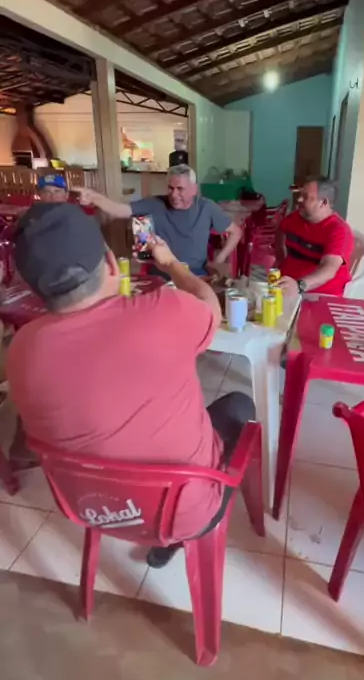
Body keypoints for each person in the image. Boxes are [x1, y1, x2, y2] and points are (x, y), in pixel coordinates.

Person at [7, 203, 255, 568]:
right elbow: (210, 307)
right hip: (181, 512)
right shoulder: (163, 311)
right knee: (239, 405)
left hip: (91, 508)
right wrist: (171, 263)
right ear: (111, 263)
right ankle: (179, 535)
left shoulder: (20, 349)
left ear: (31, 284)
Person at [77, 164, 242, 276]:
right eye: (170, 188)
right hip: (161, 275)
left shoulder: (206, 207)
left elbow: (236, 232)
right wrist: (95, 198)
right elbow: (120, 210)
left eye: (180, 189)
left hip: (195, 274)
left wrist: (218, 260)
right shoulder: (154, 204)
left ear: (194, 189)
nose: (174, 194)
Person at [276, 178, 354, 297]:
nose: (299, 199)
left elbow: (328, 269)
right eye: (300, 195)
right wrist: (280, 258)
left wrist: (299, 285)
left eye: (305, 197)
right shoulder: (295, 219)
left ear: (323, 202)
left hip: (320, 295)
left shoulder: (339, 230)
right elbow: (280, 231)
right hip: (287, 288)